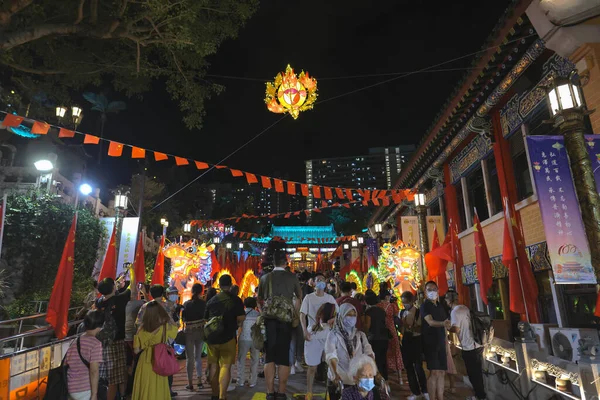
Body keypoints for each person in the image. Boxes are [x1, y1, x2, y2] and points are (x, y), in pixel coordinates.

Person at [257, 240, 302, 400]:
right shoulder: (292, 277)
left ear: (273, 261)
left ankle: (270, 392)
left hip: (269, 320)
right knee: (283, 356)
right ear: (286, 262)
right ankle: (282, 392)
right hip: (285, 321)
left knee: (269, 356)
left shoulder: (265, 278)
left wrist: (263, 313)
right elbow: (298, 298)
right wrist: (294, 314)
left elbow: (259, 300)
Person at [205, 274, 245, 400]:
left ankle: (214, 394)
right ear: (231, 284)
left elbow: (206, 319)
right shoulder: (236, 300)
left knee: (213, 365)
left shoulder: (211, 300)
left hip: (212, 338)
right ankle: (222, 395)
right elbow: (241, 317)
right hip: (228, 337)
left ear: (219, 285)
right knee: (225, 366)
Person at [325, 303, 376, 399]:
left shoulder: (360, 335)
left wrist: (374, 372)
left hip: (357, 381)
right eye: (348, 315)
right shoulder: (333, 335)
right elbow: (331, 355)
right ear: (341, 316)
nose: (351, 318)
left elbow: (369, 353)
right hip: (339, 381)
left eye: (354, 315)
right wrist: (336, 374)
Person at [300, 273, 338, 399]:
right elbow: (302, 315)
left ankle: (330, 391)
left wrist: (333, 320)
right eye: (318, 280)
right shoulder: (308, 298)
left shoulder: (330, 298)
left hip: (328, 336)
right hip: (313, 335)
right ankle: (309, 392)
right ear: (314, 283)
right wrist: (304, 331)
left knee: (330, 365)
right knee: (312, 367)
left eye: (323, 280)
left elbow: (338, 314)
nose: (321, 282)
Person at [131, 301, 178, 400]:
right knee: (159, 389)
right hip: (160, 360)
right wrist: (168, 316)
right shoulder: (166, 327)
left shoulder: (142, 329)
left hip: (145, 362)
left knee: (145, 388)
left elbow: (136, 350)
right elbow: (175, 329)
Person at [445, 290, 486, 400]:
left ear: (449, 300)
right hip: (477, 343)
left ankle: (480, 396)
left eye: (446, 299)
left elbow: (456, 328)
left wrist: (447, 327)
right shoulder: (464, 307)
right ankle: (479, 395)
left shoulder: (455, 312)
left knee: (473, 373)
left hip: (469, 346)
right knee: (476, 373)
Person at [96, 277, 130, 400]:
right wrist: (132, 272)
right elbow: (132, 290)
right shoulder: (120, 299)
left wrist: (117, 287)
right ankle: (121, 396)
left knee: (112, 373)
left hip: (104, 341)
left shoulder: (99, 302)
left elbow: (110, 296)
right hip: (118, 340)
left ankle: (121, 396)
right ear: (113, 287)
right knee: (116, 376)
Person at [66, 310, 104, 400]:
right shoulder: (96, 344)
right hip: (84, 388)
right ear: (100, 325)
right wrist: (94, 394)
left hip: (70, 386)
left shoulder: (76, 341)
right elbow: (94, 371)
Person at [420, 281, 449, 400]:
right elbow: (430, 322)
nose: (432, 291)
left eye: (434, 289)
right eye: (429, 289)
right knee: (434, 372)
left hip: (441, 341)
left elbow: (446, 324)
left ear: (438, 290)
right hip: (430, 342)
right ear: (426, 292)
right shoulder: (425, 306)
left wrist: (446, 341)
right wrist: (443, 323)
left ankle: (440, 397)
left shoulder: (441, 306)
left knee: (442, 372)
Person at [400, 291, 428, 400]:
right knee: (409, 367)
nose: (404, 305)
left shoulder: (418, 312)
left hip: (416, 340)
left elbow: (421, 329)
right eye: (403, 302)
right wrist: (402, 326)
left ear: (412, 301)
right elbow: (402, 330)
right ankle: (415, 392)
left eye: (406, 302)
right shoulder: (402, 312)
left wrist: (410, 327)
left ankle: (424, 390)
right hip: (406, 341)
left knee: (418, 367)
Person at [182, 283, 207, 391]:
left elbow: (183, 319)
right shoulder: (203, 304)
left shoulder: (186, 304)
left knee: (189, 358)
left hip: (189, 332)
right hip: (200, 330)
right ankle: (200, 380)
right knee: (198, 357)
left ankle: (190, 382)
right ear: (201, 292)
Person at [375, 286, 403, 375]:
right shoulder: (392, 306)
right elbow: (397, 315)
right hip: (391, 328)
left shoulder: (377, 306)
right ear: (387, 296)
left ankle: (387, 371)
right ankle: (399, 375)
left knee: (384, 351)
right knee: (396, 349)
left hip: (381, 329)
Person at [363, 290, 389, 381]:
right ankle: (385, 379)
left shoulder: (369, 312)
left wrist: (364, 336)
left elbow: (367, 325)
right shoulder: (381, 311)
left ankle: (378, 380)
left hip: (374, 338)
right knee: (383, 360)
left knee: (375, 360)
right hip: (384, 338)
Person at [237, 297, 260, 388]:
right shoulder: (258, 314)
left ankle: (241, 381)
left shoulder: (242, 314)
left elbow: (239, 326)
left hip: (243, 339)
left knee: (241, 360)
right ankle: (253, 381)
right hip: (254, 340)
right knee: (255, 360)